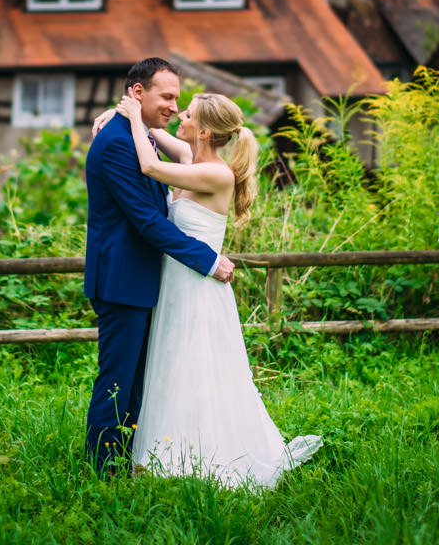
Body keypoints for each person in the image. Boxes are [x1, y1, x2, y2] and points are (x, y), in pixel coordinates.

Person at [107, 89, 323, 490]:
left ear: (204, 132)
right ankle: (169, 455)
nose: (180, 120)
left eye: (186, 116)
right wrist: (121, 116)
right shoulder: (194, 160)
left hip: (198, 289)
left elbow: (150, 166)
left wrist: (135, 118)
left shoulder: (217, 174)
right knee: (172, 362)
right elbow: (157, 139)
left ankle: (202, 455)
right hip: (176, 282)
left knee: (197, 366)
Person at [84, 57, 235, 476]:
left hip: (143, 279)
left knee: (135, 381)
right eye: (167, 96)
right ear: (139, 93)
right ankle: (103, 472)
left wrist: (123, 115)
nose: (173, 105)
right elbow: (147, 221)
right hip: (121, 279)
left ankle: (130, 460)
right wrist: (207, 259)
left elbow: (159, 160)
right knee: (117, 380)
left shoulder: (139, 135)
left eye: (178, 100)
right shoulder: (116, 142)